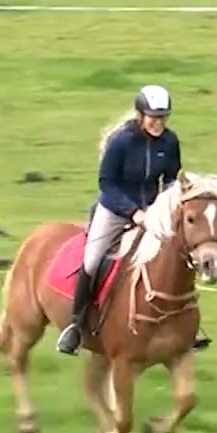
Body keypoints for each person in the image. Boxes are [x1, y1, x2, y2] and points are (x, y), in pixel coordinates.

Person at [57, 85, 183, 355]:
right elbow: (107, 184)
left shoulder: (170, 142)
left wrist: (164, 208)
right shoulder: (121, 142)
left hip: (151, 210)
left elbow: (171, 179)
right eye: (153, 117)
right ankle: (76, 326)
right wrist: (133, 213)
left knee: (177, 254)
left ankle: (181, 325)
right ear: (140, 115)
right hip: (114, 210)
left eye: (163, 117)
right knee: (91, 260)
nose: (158, 123)